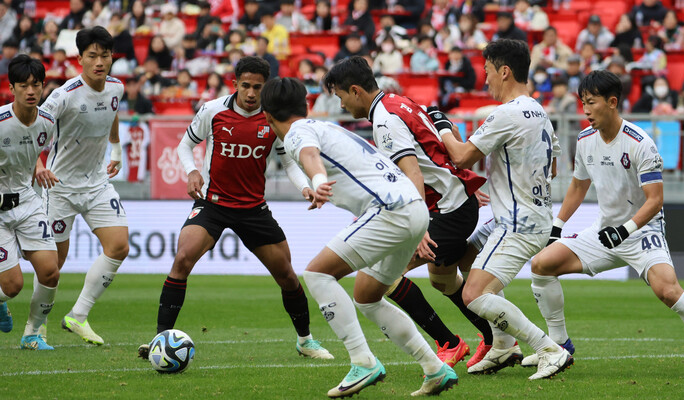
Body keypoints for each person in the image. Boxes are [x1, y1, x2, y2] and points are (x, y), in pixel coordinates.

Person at [260, 76, 458, 397]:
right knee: (367, 295)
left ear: (266, 115)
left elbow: (308, 156)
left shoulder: (298, 133)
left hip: (389, 210)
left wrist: (319, 179)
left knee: (317, 273)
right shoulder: (326, 127)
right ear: (307, 104)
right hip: (414, 208)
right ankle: (434, 368)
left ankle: (362, 361)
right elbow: (307, 157)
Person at [136, 57, 333, 362]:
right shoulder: (213, 110)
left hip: (254, 209)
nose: (251, 93)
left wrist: (305, 187)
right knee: (182, 259)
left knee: (287, 276)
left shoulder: (272, 118)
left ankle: (305, 341)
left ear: (265, 87)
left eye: (257, 87)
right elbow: (184, 146)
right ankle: (159, 340)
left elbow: (288, 162)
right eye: (246, 86)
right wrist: (191, 171)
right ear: (235, 83)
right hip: (213, 204)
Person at [325, 56, 497, 369]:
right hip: (454, 203)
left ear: (355, 90)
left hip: (444, 211)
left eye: (341, 97)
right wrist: (458, 182)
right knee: (443, 279)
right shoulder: (397, 102)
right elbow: (432, 148)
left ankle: (449, 343)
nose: (343, 106)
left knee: (380, 277)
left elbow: (413, 173)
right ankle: (495, 340)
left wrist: (418, 228)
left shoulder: (384, 120)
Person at [526, 70, 684, 367]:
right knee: (542, 265)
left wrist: (626, 229)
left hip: (642, 231)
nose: (585, 109)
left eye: (591, 102)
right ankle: (558, 345)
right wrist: (558, 225)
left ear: (612, 102)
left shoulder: (640, 142)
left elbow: (656, 200)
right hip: (604, 232)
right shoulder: (584, 139)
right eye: (582, 102)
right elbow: (579, 186)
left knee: (668, 291)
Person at [438, 39, 572, 380]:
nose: (485, 81)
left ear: (504, 71)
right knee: (465, 257)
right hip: (529, 214)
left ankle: (547, 349)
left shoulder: (506, 114)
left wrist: (442, 127)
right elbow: (553, 166)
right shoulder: (539, 111)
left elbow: (462, 156)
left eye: (487, 72)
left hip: (517, 222)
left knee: (472, 293)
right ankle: (503, 345)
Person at [38, 26, 128, 346]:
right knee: (52, 267)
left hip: (97, 184)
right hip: (60, 188)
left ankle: (77, 316)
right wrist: (37, 165)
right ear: (80, 59)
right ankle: (36, 328)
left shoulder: (116, 87)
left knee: (119, 246)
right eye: (92, 56)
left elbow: (112, 112)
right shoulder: (64, 94)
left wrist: (116, 150)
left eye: (105, 55)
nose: (100, 62)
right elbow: (36, 127)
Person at [0, 55, 60, 350]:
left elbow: (32, 148)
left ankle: (32, 335)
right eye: (24, 85)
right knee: (12, 287)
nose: (31, 91)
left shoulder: (47, 123)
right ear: (12, 88)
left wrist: (38, 166)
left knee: (50, 270)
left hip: (26, 201)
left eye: (36, 85)